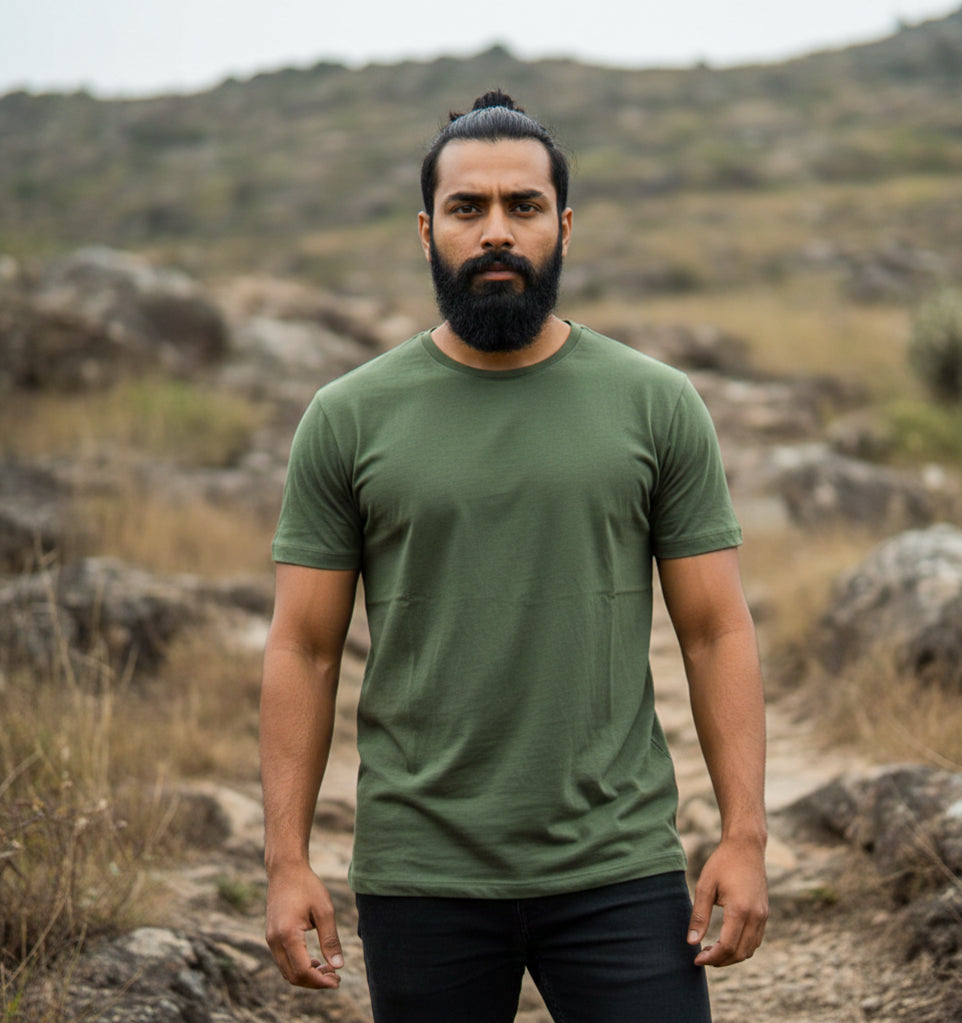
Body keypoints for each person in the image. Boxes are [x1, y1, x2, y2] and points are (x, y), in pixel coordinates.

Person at [260, 90, 768, 1023]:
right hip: (423, 871)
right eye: (468, 208)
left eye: (522, 206)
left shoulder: (655, 403)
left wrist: (744, 835)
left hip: (617, 864)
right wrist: (286, 860)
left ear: (562, 224)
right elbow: (303, 647)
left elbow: (713, 629)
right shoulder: (348, 415)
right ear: (427, 229)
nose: (496, 231)